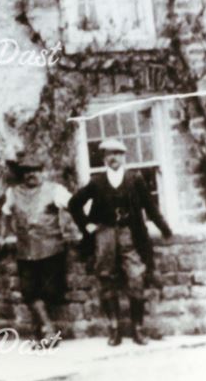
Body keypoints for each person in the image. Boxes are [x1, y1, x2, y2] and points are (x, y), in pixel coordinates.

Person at [68, 138, 172, 346]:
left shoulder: (135, 179)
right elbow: (74, 203)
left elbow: (150, 208)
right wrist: (87, 226)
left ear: (124, 156)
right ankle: (114, 330)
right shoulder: (97, 181)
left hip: (129, 233)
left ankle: (137, 329)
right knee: (106, 280)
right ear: (104, 158)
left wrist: (165, 229)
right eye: (108, 154)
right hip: (105, 234)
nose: (113, 158)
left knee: (136, 278)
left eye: (117, 154)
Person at [0, 154, 72, 347]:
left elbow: (75, 206)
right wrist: (4, 234)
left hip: (50, 249)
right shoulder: (13, 192)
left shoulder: (55, 190)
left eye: (35, 171)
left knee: (50, 291)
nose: (31, 175)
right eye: (26, 172)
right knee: (29, 291)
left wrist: (78, 227)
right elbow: (6, 212)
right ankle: (47, 329)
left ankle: (45, 329)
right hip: (26, 250)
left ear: (42, 172)